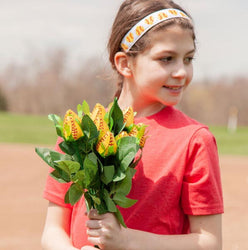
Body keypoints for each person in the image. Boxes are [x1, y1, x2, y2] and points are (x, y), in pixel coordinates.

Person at [41, 0, 224, 249]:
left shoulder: (194, 140)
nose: (182, 71)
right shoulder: (79, 132)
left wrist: (127, 241)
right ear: (124, 63)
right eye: (167, 58)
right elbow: (52, 230)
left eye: (189, 58)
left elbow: (208, 242)